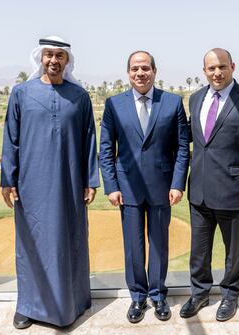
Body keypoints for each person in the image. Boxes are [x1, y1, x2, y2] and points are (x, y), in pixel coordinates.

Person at [1, 36, 99, 329]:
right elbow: (11, 139)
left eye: (59, 56)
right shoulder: (21, 93)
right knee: (31, 243)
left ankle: (74, 303)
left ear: (67, 60)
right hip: (32, 185)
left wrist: (90, 180)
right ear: (40, 58)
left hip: (69, 185)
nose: (53, 61)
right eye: (48, 55)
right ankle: (28, 307)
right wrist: (8, 179)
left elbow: (88, 140)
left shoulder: (79, 97)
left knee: (69, 241)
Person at [179, 48, 239, 322]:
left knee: (233, 252)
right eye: (211, 69)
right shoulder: (196, 99)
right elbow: (192, 138)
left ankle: (230, 295)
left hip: (237, 192)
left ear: (232, 66)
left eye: (222, 67)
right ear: (204, 71)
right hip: (199, 190)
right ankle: (199, 293)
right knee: (199, 251)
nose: (217, 73)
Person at [99, 51, 189, 323]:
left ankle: (158, 295)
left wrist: (177, 183)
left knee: (159, 244)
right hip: (127, 188)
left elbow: (183, 147)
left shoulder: (173, 102)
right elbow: (106, 149)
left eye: (146, 68)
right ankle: (138, 297)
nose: (141, 73)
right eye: (135, 68)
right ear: (128, 73)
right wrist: (111, 186)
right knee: (133, 246)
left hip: (163, 187)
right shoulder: (114, 104)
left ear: (154, 71)